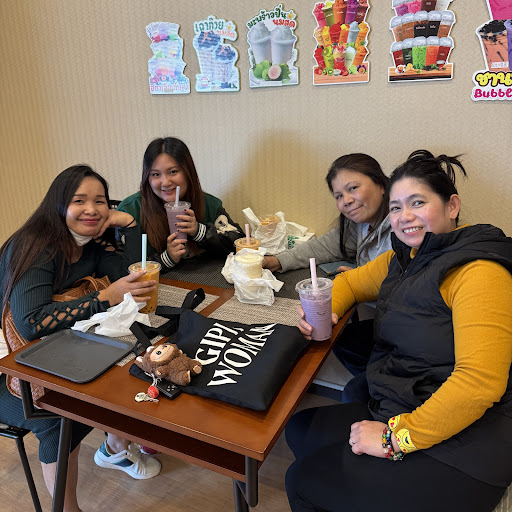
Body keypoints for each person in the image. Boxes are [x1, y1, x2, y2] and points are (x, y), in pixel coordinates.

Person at [286, 150, 512, 512]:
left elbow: (479, 384)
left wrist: (394, 438)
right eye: (395, 207)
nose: (405, 216)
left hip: (471, 442)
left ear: (452, 206)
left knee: (301, 481)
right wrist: (324, 312)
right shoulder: (404, 258)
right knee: (300, 431)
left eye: (418, 203)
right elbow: (351, 283)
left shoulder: (478, 272)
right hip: (412, 399)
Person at [0, 165, 162, 511]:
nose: (92, 209)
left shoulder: (91, 241)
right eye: (79, 201)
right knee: (58, 417)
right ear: (58, 204)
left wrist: (130, 225)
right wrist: (104, 297)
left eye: (100, 201)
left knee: (130, 370)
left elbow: (130, 277)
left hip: (54, 350)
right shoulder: (35, 246)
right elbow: (30, 323)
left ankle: (114, 450)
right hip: (7, 368)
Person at [117, 137, 245, 270]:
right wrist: (166, 259)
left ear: (188, 172)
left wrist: (200, 231)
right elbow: (124, 269)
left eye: (173, 172)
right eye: (155, 174)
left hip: (208, 278)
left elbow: (241, 244)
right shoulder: (130, 212)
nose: (165, 182)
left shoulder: (209, 204)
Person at [263, 153, 392, 274]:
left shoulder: (400, 227)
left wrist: (361, 280)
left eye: (353, 188)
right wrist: (277, 261)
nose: (346, 201)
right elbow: (324, 247)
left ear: (381, 185)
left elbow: (401, 280)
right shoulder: (360, 225)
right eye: (339, 196)